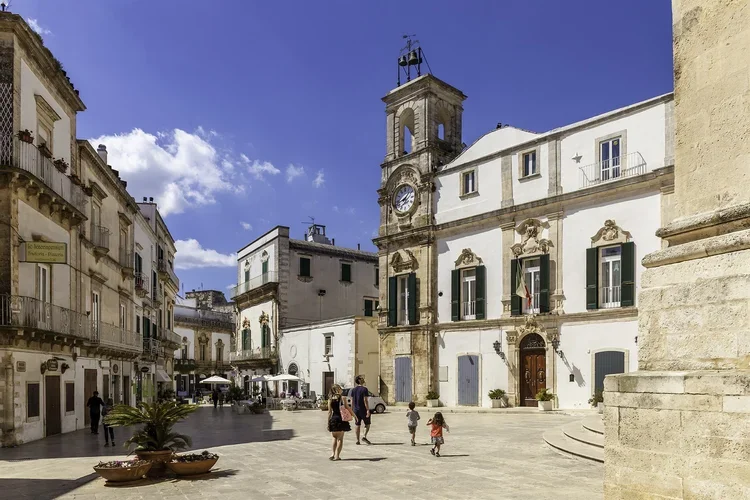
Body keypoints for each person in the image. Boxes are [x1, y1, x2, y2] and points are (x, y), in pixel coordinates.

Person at [327, 384, 352, 460]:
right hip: (341, 419)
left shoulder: (330, 399)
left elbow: (329, 412)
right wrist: (354, 415)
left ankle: (332, 453)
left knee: (334, 438)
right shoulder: (342, 398)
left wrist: (328, 422)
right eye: (340, 388)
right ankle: (337, 456)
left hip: (333, 419)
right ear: (338, 389)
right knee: (340, 439)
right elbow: (347, 408)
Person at [350, 375, 371, 445]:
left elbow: (352, 401)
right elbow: (365, 400)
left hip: (356, 410)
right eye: (362, 378)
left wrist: (352, 410)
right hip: (363, 410)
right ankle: (364, 436)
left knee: (357, 424)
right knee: (367, 424)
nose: (363, 379)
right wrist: (368, 410)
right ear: (359, 380)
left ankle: (357, 440)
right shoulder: (364, 389)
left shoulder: (353, 390)